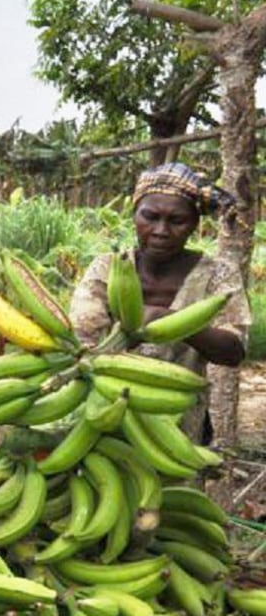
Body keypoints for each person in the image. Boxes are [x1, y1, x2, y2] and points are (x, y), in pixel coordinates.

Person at [70, 162, 249, 443]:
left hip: (178, 418)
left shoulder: (217, 275)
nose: (161, 231)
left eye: (177, 221)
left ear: (195, 224)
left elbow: (233, 351)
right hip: (101, 410)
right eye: (150, 216)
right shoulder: (107, 268)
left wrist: (168, 321)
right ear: (134, 215)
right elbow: (84, 338)